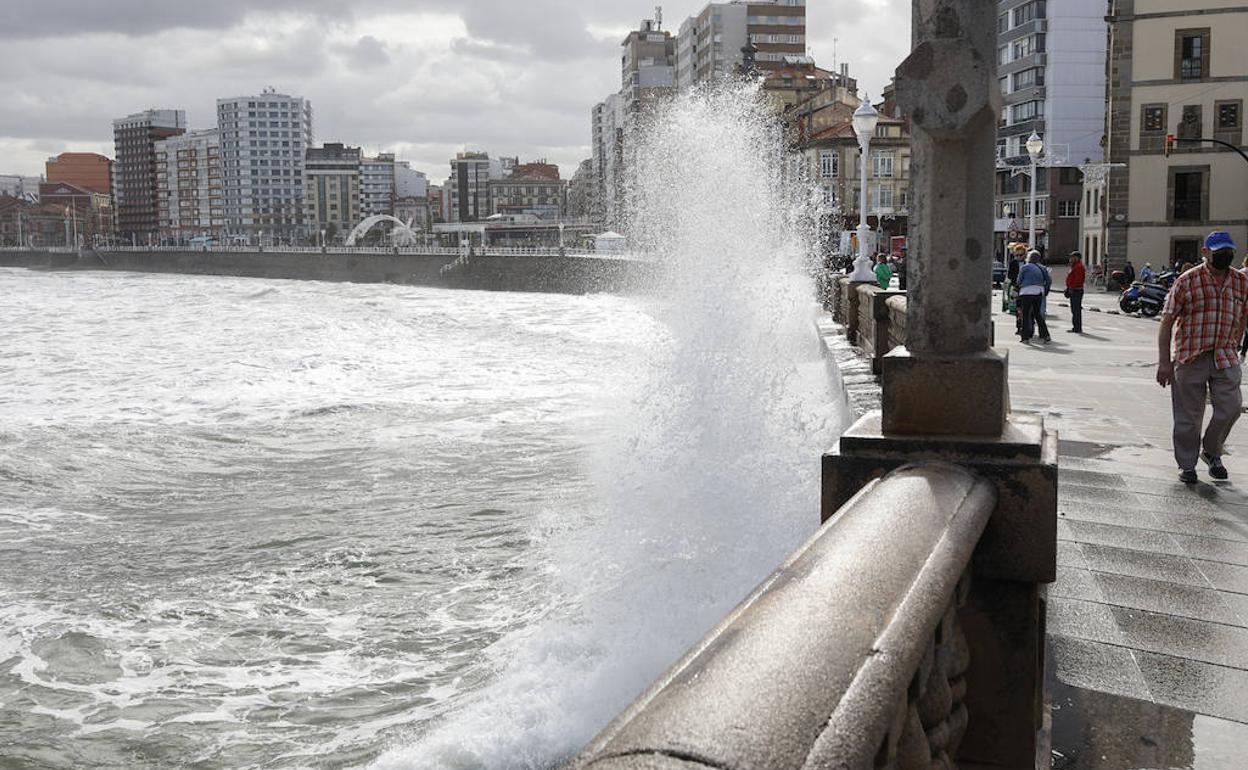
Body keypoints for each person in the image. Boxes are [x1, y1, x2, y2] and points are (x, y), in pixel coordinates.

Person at [1157, 231, 1248, 484]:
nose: (1225, 256)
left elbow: (1243, 315)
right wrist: (1165, 362)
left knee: (1231, 409)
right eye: (1219, 252)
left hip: (1225, 356)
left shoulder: (1241, 281)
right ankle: (1187, 465)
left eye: (1229, 251)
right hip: (1190, 357)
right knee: (1188, 416)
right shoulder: (1187, 281)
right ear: (1205, 252)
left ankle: (1211, 451)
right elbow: (1167, 322)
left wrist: (1237, 342)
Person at [1017, 251, 1052, 343]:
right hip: (1039, 292)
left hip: (1026, 292)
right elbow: (1048, 280)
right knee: (1038, 314)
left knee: (1026, 314)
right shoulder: (1043, 268)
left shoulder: (1025, 267)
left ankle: (1025, 338)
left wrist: (1019, 286)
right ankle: (1046, 335)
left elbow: (1019, 280)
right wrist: (1045, 291)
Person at [1066, 251, 1086, 333]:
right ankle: (1076, 326)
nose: (1071, 259)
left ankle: (1077, 327)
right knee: (1074, 309)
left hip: (1076, 290)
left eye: (1072, 257)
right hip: (1074, 289)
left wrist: (1071, 287)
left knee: (1076, 309)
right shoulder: (1074, 266)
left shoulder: (1078, 267)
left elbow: (1078, 280)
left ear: (1077, 258)